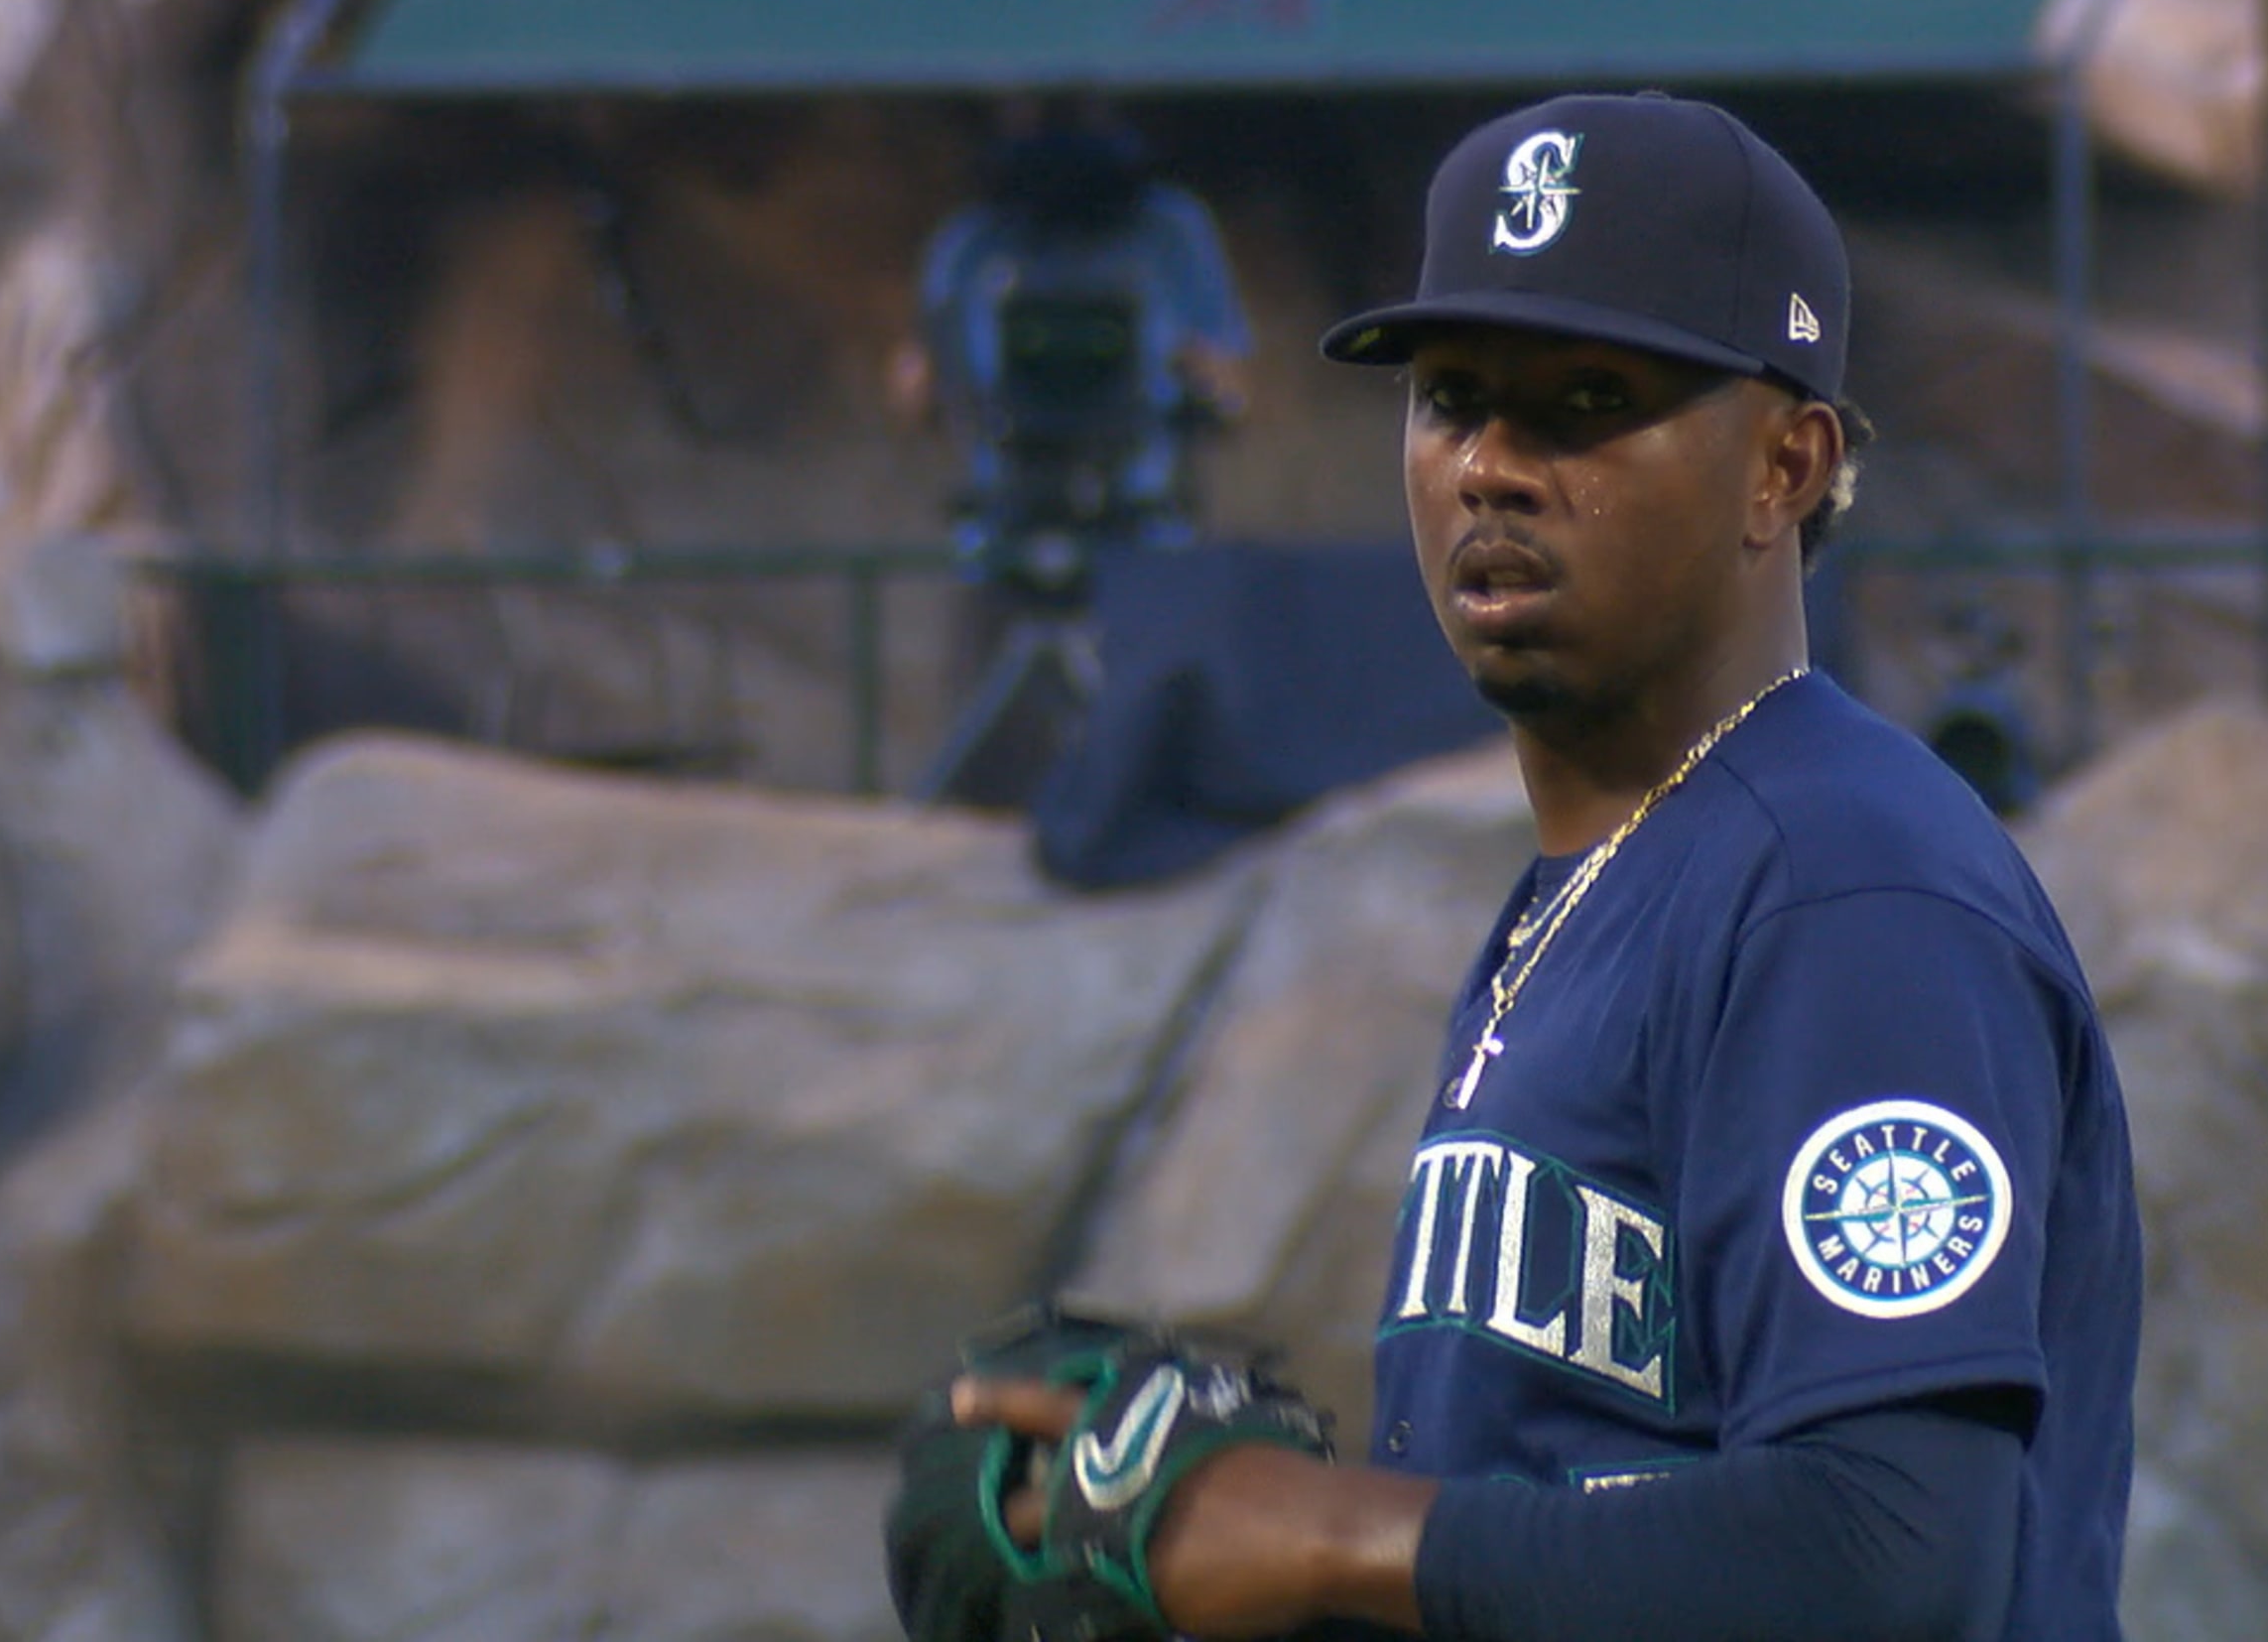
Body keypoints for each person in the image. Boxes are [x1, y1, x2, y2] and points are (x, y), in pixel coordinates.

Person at [954, 91, 2141, 1641]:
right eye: (1455, 397)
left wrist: (1324, 1537)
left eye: (1586, 401)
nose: (1494, 467)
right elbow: (1578, 1522)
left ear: (1785, 467)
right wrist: (1236, 1552)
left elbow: (1891, 1554)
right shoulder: (1591, 888)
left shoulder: (1845, 893)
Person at [889, 92, 1254, 587]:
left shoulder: (1168, 230)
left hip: (1140, 516)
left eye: (1077, 113)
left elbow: (1232, 389)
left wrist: (1189, 384)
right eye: (1036, 114)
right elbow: (916, 392)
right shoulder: (974, 243)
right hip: (1009, 518)